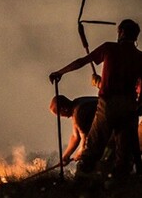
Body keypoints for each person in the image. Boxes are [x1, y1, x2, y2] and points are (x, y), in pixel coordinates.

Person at [49, 19, 142, 178]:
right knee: (123, 154)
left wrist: (60, 73)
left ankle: (80, 183)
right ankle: (120, 187)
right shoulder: (140, 56)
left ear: (121, 32)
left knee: (92, 148)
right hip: (129, 106)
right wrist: (138, 104)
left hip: (108, 105)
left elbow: (81, 62)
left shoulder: (110, 48)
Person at [49, 95, 98, 165]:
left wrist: (80, 152)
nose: (61, 117)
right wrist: (65, 156)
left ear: (64, 109)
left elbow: (86, 139)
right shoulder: (77, 104)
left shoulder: (79, 113)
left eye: (59, 114)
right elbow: (76, 136)